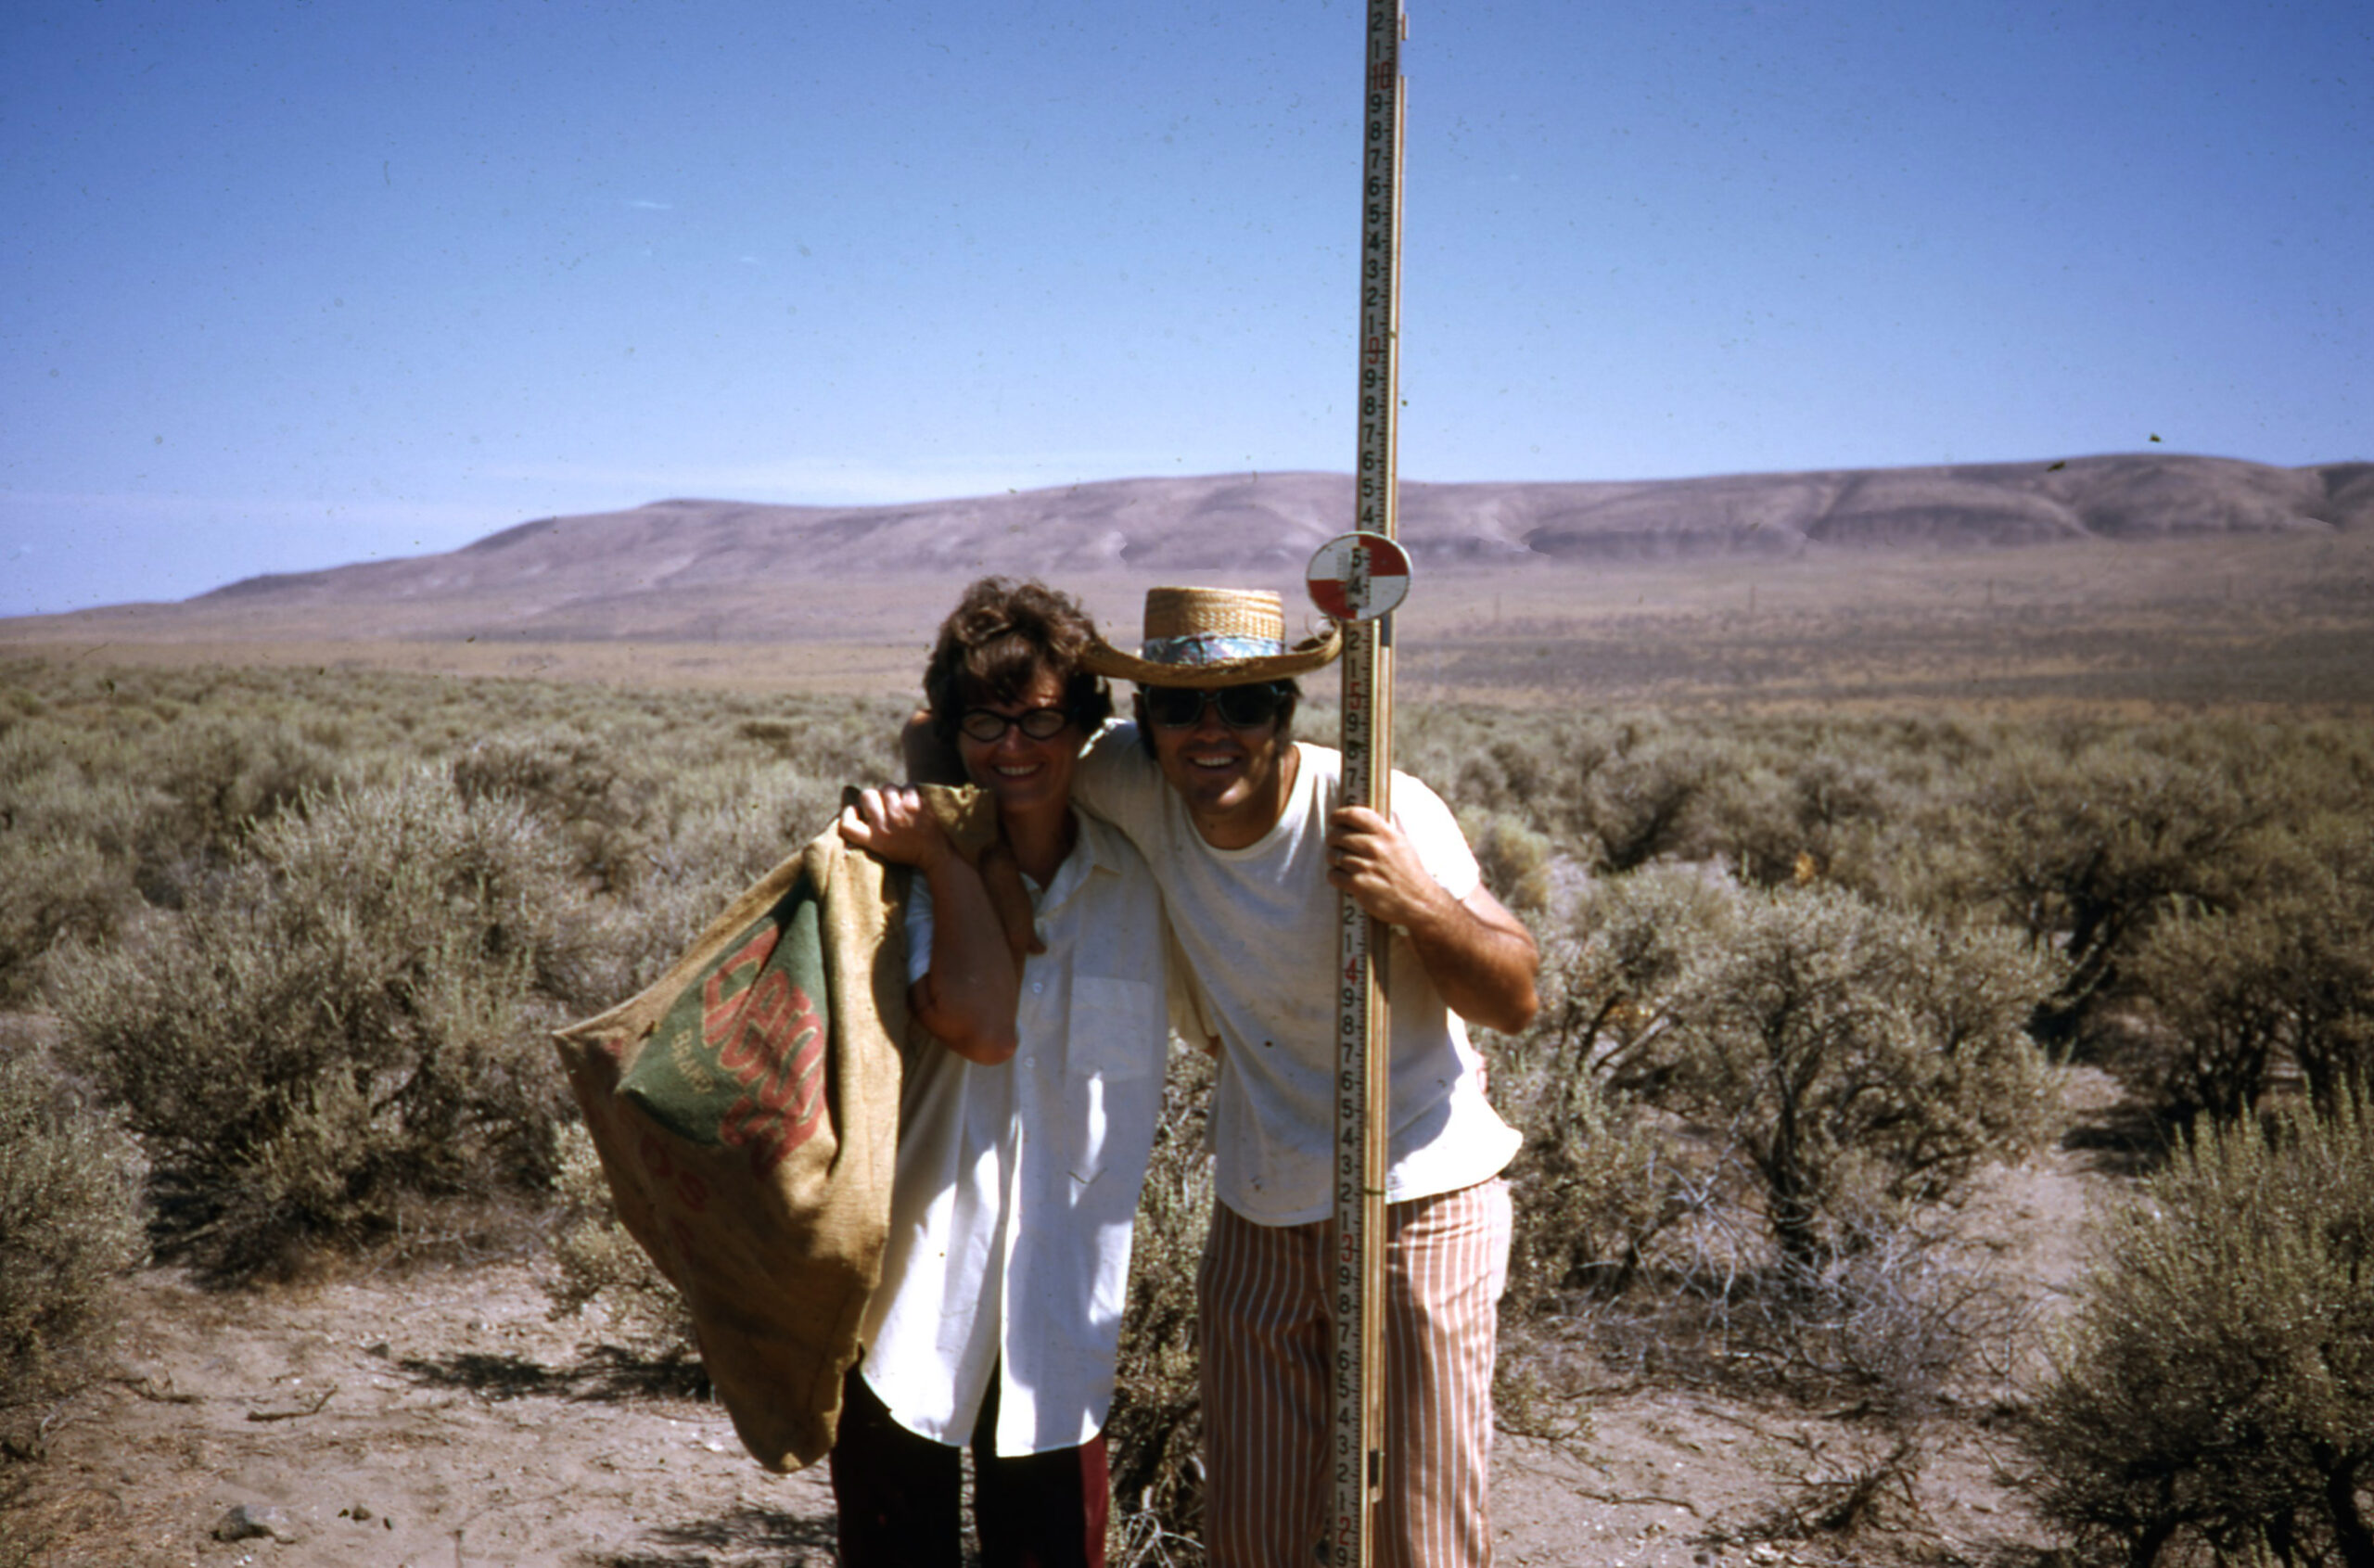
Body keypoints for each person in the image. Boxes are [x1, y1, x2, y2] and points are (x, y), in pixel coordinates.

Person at [1062, 584, 1541, 1568]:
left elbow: (1513, 995)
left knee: (1421, 1530)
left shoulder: (1378, 804)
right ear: (1139, 717)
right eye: (1178, 704)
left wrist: (1418, 904)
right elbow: (965, 737)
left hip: (1421, 1187)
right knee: (1252, 1528)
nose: (1210, 731)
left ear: (1287, 710)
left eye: (1244, 703)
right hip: (1259, 1196)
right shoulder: (1122, 778)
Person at [833, 578, 1173, 1568]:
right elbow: (981, 1025)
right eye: (987, 719)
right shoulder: (896, 869)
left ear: (1085, 727)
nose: (1014, 746)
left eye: (1041, 718)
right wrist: (946, 855)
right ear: (954, 726)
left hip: (1063, 1295)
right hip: (910, 1283)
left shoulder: (1141, 882)